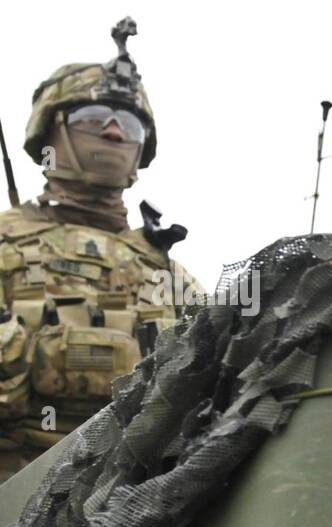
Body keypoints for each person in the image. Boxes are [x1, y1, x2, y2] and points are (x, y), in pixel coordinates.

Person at [0, 17, 200, 482]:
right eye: (93, 118)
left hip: (130, 511)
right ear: (51, 132)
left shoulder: (168, 274)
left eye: (127, 124)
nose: (112, 133)